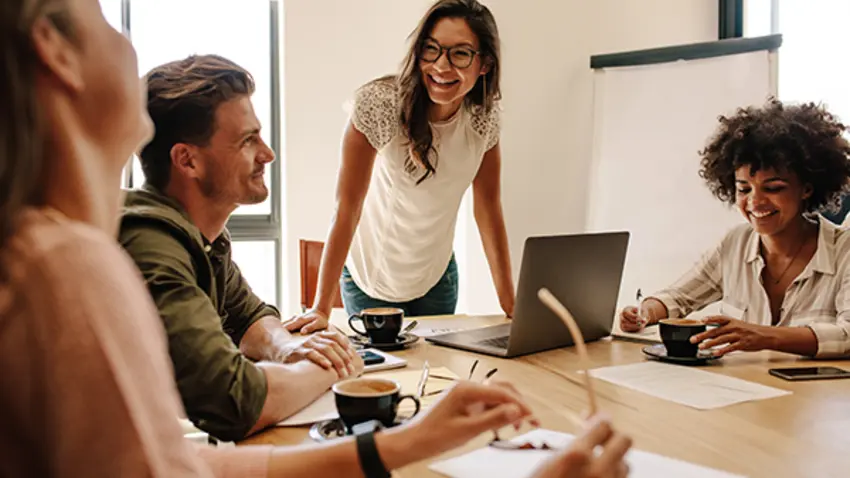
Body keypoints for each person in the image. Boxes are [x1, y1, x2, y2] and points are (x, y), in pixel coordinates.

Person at [0, 0, 634, 476]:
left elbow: (181, 462)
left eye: (463, 54)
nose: (270, 154)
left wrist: (409, 439)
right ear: (54, 49)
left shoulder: (180, 242)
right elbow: (235, 403)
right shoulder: (73, 263)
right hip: (371, 280)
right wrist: (330, 352)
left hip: (430, 276)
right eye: (104, 16)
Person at [118, 54, 360, 442]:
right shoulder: (152, 244)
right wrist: (331, 368)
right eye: (248, 140)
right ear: (188, 160)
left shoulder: (200, 236)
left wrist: (287, 349)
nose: (268, 154)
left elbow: (245, 315)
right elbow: (232, 402)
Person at [285, 0, 515, 334]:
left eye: (460, 53)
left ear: (485, 65)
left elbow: (488, 208)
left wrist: (510, 303)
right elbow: (347, 207)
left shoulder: (484, 118)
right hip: (372, 281)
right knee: (382, 376)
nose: (441, 65)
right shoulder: (380, 104)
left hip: (437, 278)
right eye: (431, 49)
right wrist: (321, 307)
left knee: (436, 377)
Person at [620, 99, 850, 359]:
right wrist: (644, 313)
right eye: (744, 189)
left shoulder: (844, 250)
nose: (755, 202)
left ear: (807, 188)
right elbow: (678, 298)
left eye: (773, 188)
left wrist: (763, 336)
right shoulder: (735, 243)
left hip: (817, 398)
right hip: (746, 390)